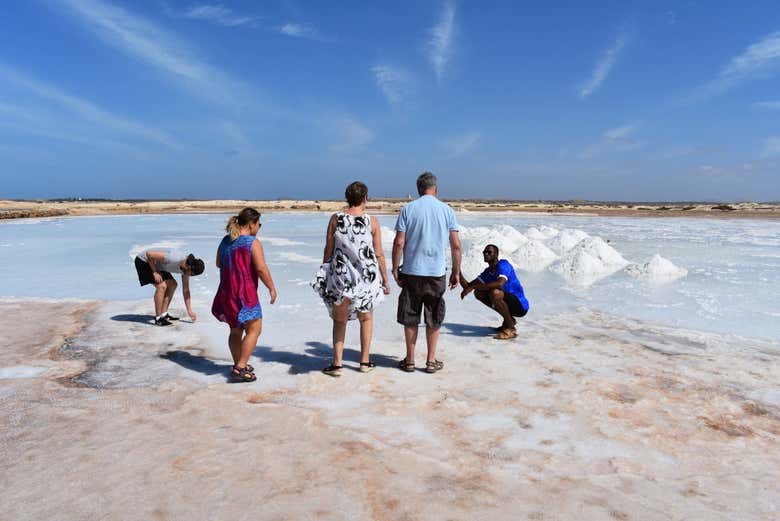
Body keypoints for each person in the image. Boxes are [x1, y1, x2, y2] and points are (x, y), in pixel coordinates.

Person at [312, 181, 390, 377]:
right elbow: (379, 253)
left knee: (339, 321)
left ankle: (337, 365)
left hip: (341, 276)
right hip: (366, 277)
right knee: (366, 318)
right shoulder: (371, 221)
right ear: (365, 198)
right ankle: (364, 362)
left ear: (347, 197)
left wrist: (324, 271)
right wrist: (385, 279)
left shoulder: (335, 219)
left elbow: (328, 250)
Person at [392, 172, 461, 373]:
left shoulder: (408, 209)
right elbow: (456, 245)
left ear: (418, 189)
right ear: (435, 188)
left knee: (410, 315)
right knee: (434, 316)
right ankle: (431, 361)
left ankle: (411, 360)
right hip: (436, 272)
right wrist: (456, 271)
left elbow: (399, 242)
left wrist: (395, 268)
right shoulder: (447, 210)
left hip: (412, 271)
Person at [212, 208, 277, 383]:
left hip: (227, 292)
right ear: (251, 224)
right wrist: (271, 287)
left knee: (235, 330)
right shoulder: (251, 242)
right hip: (244, 293)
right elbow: (261, 269)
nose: (259, 228)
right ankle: (240, 366)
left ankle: (238, 363)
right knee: (255, 329)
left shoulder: (226, 241)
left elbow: (218, 263)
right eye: (259, 224)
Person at [460, 244, 530, 339]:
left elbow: (500, 284)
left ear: (496, 254)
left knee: (495, 293)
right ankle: (509, 320)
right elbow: (468, 286)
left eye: (489, 252)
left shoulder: (504, 265)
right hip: (506, 302)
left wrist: (473, 287)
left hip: (520, 305)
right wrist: (457, 272)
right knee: (478, 292)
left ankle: (511, 329)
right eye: (484, 252)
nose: (486, 254)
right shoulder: (487, 272)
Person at [134, 248, 204, 326]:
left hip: (158, 265)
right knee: (162, 286)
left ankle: (164, 314)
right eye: (191, 274)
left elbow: (186, 290)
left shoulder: (186, 269)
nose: (190, 276)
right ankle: (158, 319)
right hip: (143, 261)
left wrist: (189, 310)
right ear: (189, 267)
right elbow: (149, 254)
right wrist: (155, 272)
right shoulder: (174, 258)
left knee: (173, 285)